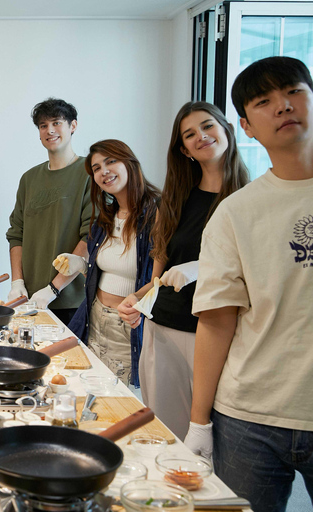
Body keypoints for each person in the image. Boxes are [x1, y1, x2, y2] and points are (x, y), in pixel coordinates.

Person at [185, 56, 313, 512]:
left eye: (294, 91)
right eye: (264, 101)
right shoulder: (236, 212)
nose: (282, 106)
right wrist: (199, 421)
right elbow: (217, 322)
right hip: (248, 416)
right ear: (247, 125)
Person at [117, 101, 249, 440]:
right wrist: (136, 299)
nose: (201, 137)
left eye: (208, 127)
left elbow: (256, 267)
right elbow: (159, 271)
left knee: (218, 436)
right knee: (168, 434)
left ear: (227, 130)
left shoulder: (250, 198)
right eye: (190, 134)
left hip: (220, 333)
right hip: (163, 328)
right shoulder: (176, 197)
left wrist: (205, 267)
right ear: (184, 150)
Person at [59, 140, 159, 387]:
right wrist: (82, 264)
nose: (103, 171)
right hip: (94, 318)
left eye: (110, 161)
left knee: (122, 398)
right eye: (96, 168)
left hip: (126, 325)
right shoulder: (106, 216)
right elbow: (104, 269)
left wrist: (137, 297)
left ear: (129, 162)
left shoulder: (157, 212)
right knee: (90, 390)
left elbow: (160, 279)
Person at [5, 98, 91, 325]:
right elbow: (16, 233)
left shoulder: (90, 174)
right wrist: (17, 283)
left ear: (73, 126)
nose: (50, 130)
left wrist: (54, 288)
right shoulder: (29, 179)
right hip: (31, 299)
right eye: (43, 126)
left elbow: (91, 237)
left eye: (56, 123)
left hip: (72, 301)